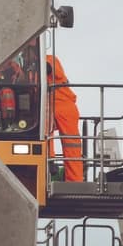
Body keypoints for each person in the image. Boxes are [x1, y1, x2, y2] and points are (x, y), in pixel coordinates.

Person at [46, 54, 84, 183]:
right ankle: (49, 160)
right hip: (48, 106)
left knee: (71, 145)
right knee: (45, 133)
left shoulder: (48, 59)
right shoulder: (28, 69)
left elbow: (50, 69)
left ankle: (75, 181)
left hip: (64, 105)